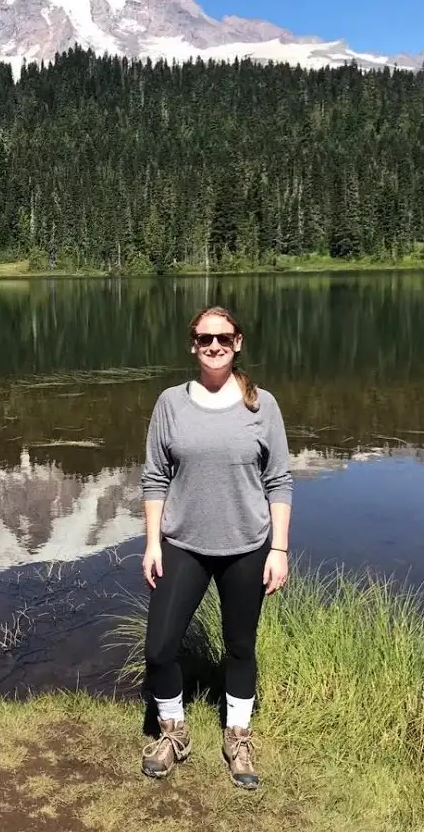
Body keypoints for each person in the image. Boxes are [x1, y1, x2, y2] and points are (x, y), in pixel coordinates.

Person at [139, 305, 293, 788]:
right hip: (183, 543)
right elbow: (154, 476)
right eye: (205, 338)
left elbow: (280, 481)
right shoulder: (170, 403)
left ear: (238, 341)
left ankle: (238, 738)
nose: (214, 346)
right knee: (160, 647)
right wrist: (152, 544)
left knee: (240, 647)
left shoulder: (260, 404)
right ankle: (173, 730)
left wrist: (279, 549)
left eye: (222, 338)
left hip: (247, 545)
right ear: (192, 345)